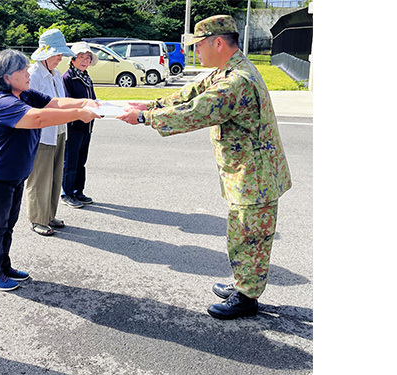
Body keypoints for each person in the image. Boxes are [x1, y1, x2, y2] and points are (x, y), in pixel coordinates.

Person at [117, 15, 292, 320]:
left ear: (218, 42)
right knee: (241, 232)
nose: (196, 52)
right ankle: (243, 284)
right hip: (246, 174)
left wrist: (146, 119)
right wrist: (149, 106)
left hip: (256, 177)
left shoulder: (236, 81)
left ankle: (247, 297)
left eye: (199, 46)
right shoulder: (228, 70)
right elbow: (191, 93)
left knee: (249, 236)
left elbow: (196, 111)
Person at [0, 49, 101, 292]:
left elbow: (55, 102)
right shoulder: (4, 102)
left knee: (8, 224)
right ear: (6, 77)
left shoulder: (25, 94)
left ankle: (4, 266)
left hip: (13, 173)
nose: (27, 73)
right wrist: (79, 114)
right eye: (21, 70)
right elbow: (39, 119)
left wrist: (85, 102)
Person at [25, 29, 76, 236]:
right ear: (46, 54)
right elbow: (31, 108)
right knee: (39, 178)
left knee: (56, 176)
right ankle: (38, 218)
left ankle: (49, 215)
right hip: (42, 134)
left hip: (59, 131)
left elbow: (61, 102)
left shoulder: (55, 75)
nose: (60, 58)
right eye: (57, 54)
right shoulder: (34, 75)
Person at [61, 42, 98, 209]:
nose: (85, 61)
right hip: (74, 126)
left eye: (88, 58)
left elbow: (93, 98)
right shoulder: (67, 77)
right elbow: (68, 103)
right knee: (70, 161)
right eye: (82, 57)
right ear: (73, 59)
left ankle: (78, 191)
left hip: (87, 126)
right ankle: (66, 193)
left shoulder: (86, 76)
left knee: (81, 161)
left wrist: (98, 107)